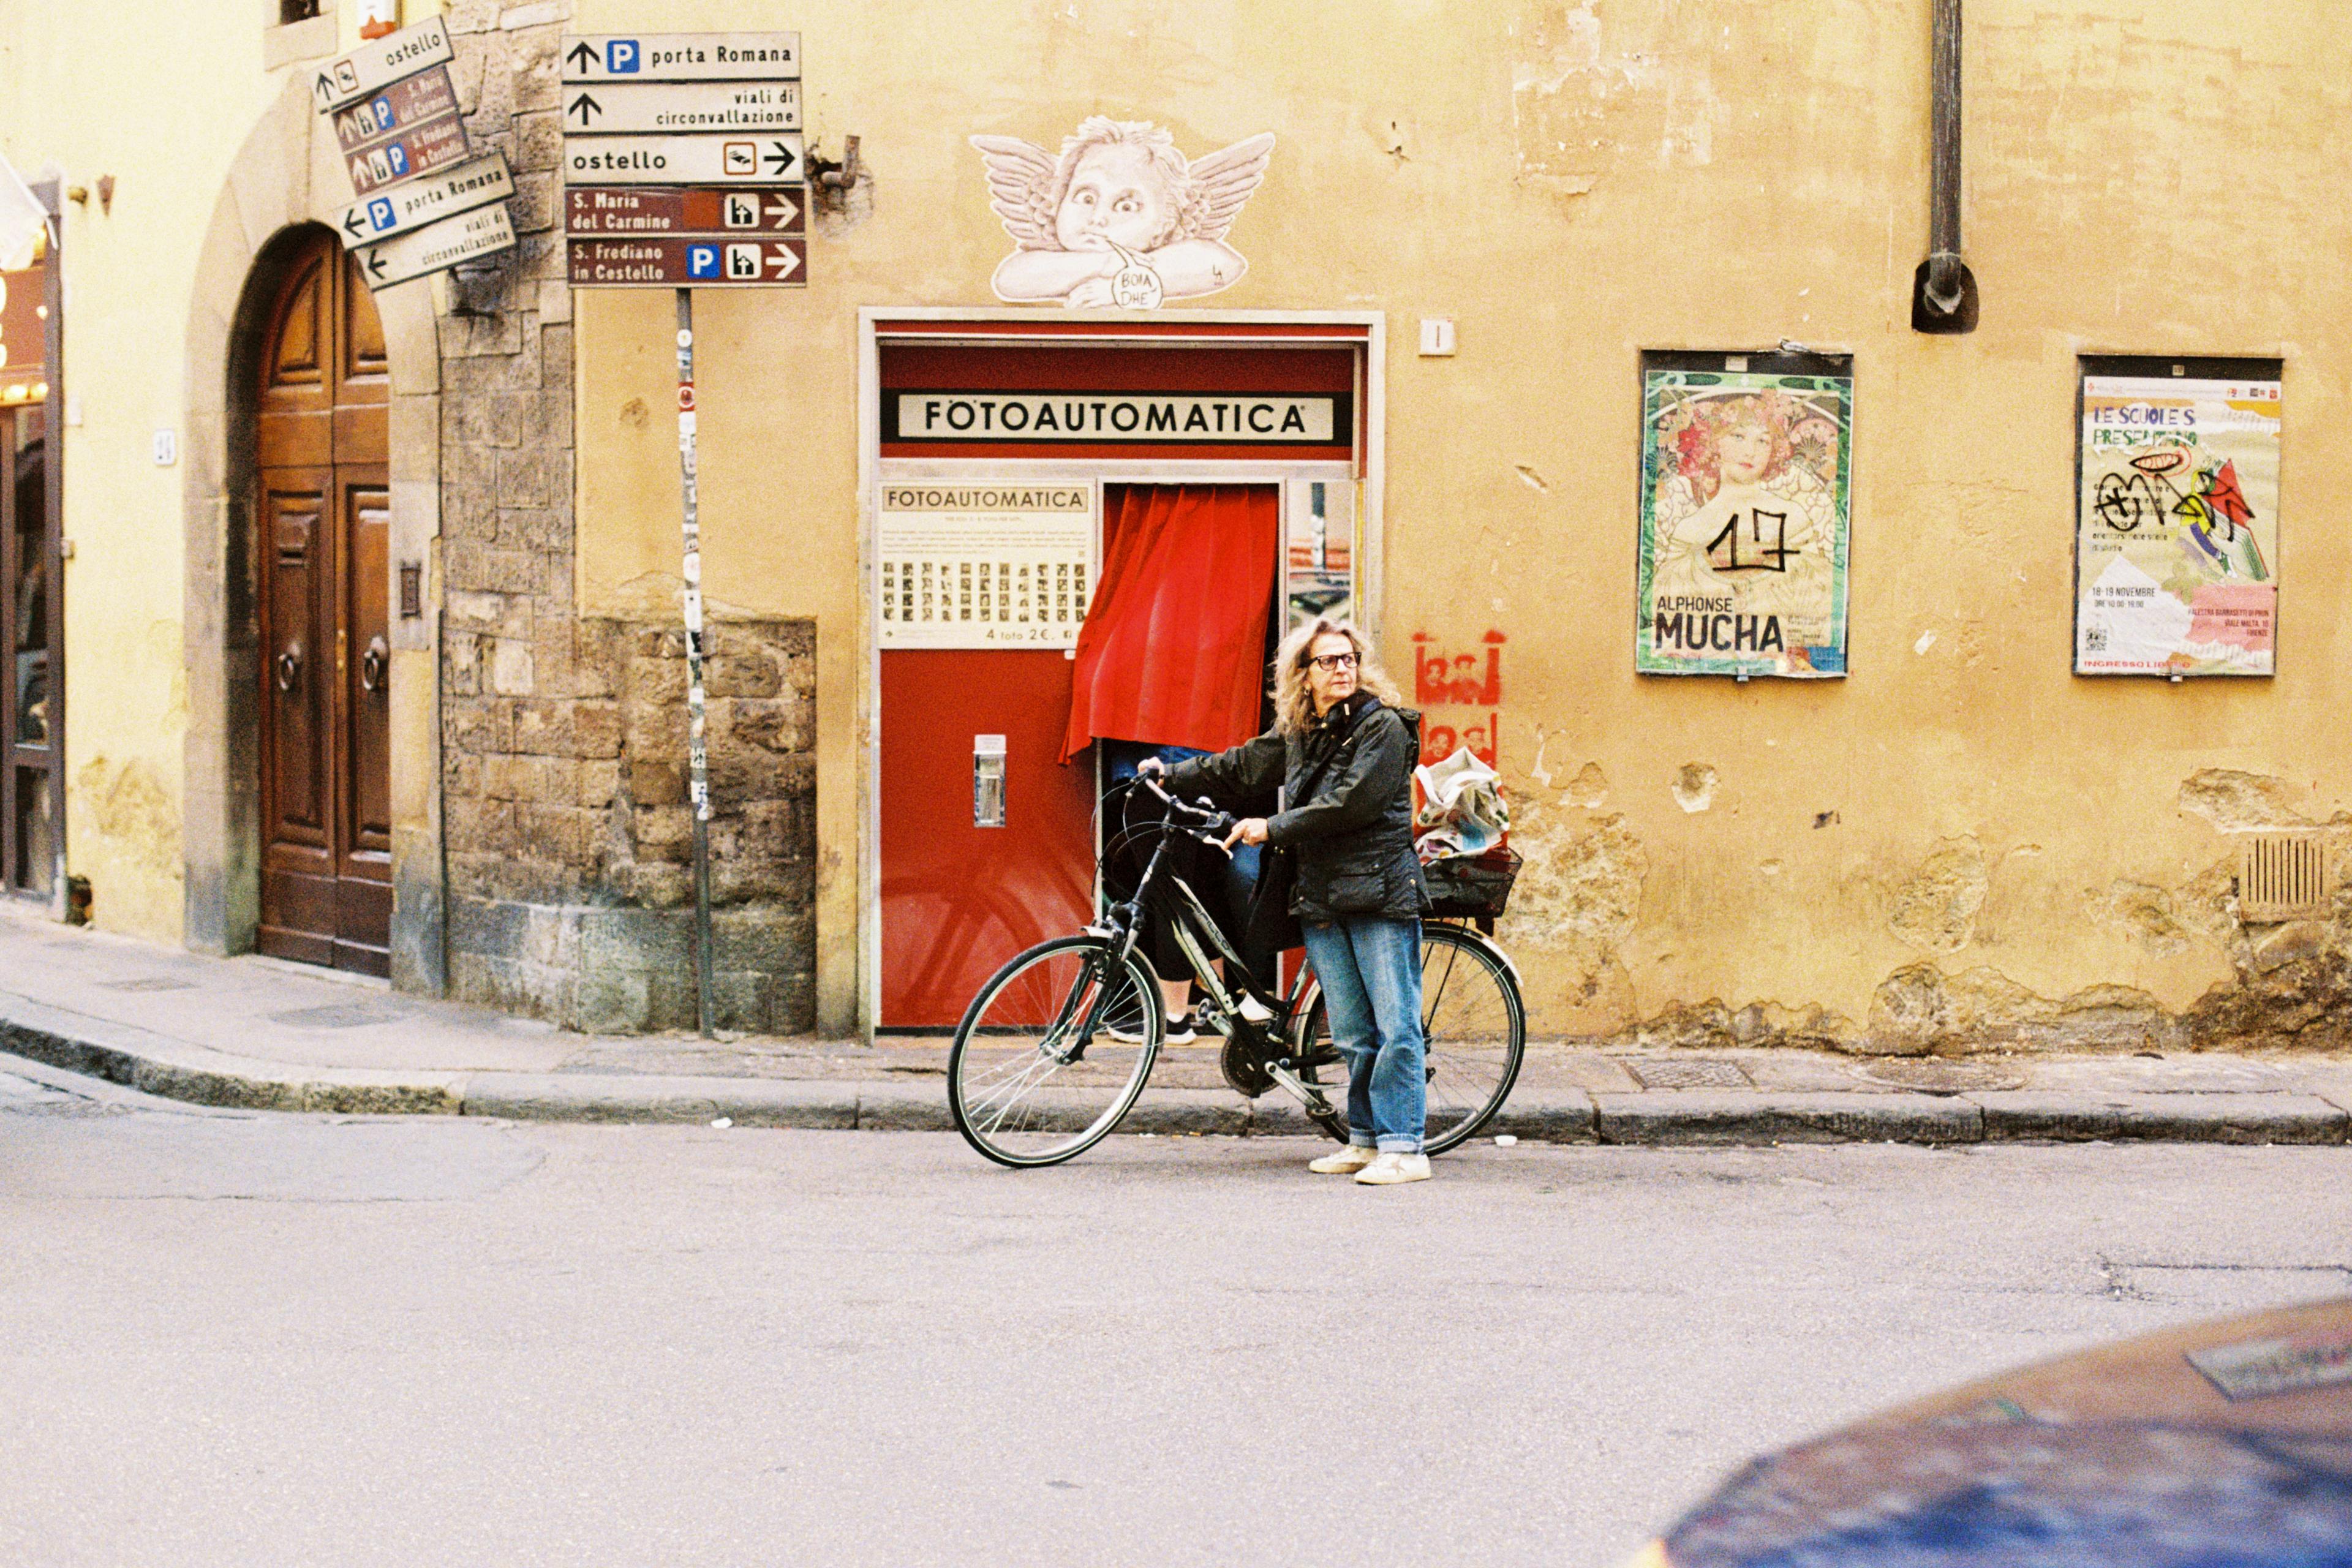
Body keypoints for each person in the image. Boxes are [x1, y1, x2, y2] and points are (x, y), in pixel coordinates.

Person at [1145, 617, 1431, 1186]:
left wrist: (1270, 827)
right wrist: (1169, 774)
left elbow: (1350, 805)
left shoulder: (1384, 730)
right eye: (1329, 661)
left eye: (1349, 658)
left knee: (1395, 1023)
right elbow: (1242, 765)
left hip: (1377, 891)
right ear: (1304, 675)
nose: (1343, 668)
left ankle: (1407, 1146)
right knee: (1351, 1029)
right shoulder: (1307, 732)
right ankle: (1367, 1139)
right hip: (1323, 895)